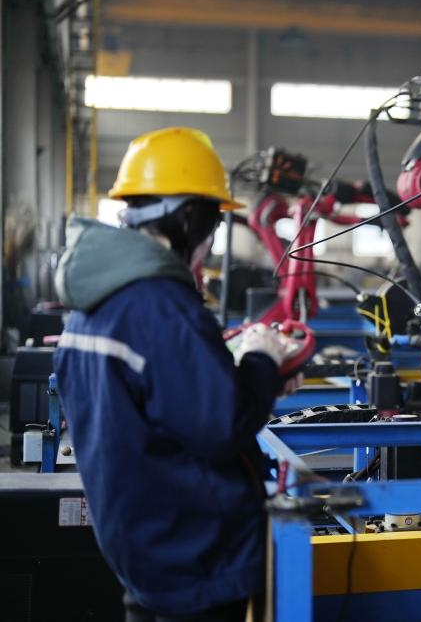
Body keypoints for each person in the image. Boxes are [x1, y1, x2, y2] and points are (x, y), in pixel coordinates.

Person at [54, 127, 299, 622]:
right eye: (211, 223)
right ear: (189, 217)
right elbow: (221, 425)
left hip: (142, 549)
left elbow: (166, 406)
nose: (208, 242)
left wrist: (262, 379)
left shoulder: (91, 305)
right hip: (195, 556)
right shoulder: (162, 306)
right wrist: (262, 361)